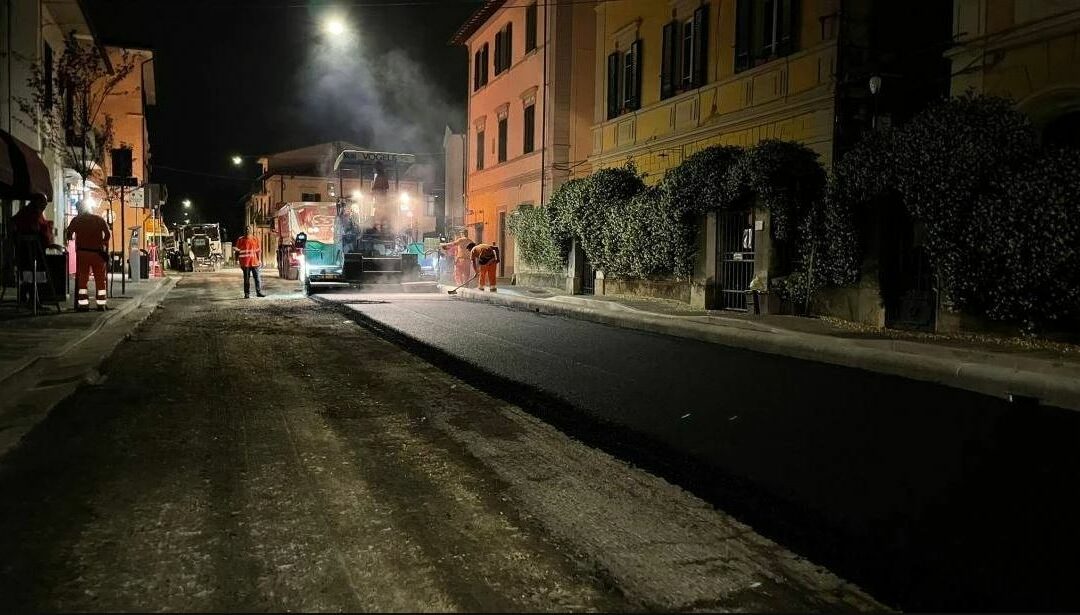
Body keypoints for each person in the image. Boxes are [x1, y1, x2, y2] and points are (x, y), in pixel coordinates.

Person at [65, 200, 110, 311]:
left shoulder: (77, 220)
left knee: (82, 280)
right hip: (97, 253)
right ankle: (101, 304)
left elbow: (69, 234)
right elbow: (107, 234)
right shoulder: (99, 219)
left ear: (79, 209)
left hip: (82, 253)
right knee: (100, 279)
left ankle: (83, 305)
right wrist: (102, 243)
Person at [235, 226, 266, 298]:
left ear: (251, 231)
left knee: (257, 278)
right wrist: (236, 260)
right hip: (245, 263)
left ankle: (258, 292)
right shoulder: (240, 239)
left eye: (248, 230)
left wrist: (260, 260)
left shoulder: (255, 239)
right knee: (246, 279)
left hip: (254, 262)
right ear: (244, 231)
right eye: (246, 230)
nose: (247, 231)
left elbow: (258, 251)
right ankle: (247, 294)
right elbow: (237, 251)